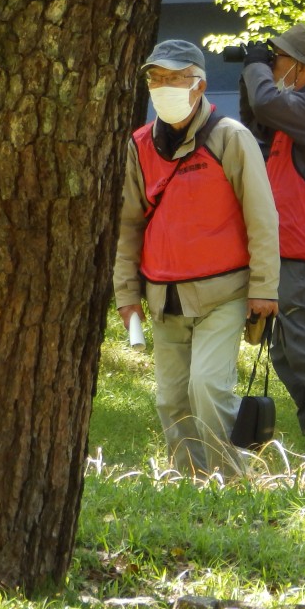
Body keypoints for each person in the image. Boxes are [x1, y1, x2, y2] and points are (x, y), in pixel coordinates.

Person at [113, 39, 280, 478]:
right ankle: (193, 483)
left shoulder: (230, 137)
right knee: (171, 398)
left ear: (199, 84)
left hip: (224, 292)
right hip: (163, 297)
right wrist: (127, 294)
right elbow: (128, 225)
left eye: (174, 78)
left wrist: (264, 288)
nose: (163, 87)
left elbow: (262, 217)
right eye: (156, 79)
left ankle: (231, 481)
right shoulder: (139, 145)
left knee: (207, 386)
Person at [238, 23, 305, 441]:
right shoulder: (291, 111)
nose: (269, 66)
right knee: (283, 352)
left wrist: (254, 68)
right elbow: (255, 113)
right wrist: (254, 69)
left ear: (297, 67)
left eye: (275, 58)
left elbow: (265, 102)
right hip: (284, 255)